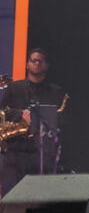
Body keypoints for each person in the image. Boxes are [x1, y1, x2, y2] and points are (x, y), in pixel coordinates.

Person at [0, 48, 68, 197]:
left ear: (46, 65)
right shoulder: (14, 87)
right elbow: (2, 110)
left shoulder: (56, 91)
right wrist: (20, 114)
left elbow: (62, 119)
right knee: (10, 198)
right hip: (15, 152)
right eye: (33, 60)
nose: (37, 64)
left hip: (42, 154)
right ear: (27, 65)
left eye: (40, 61)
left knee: (38, 200)